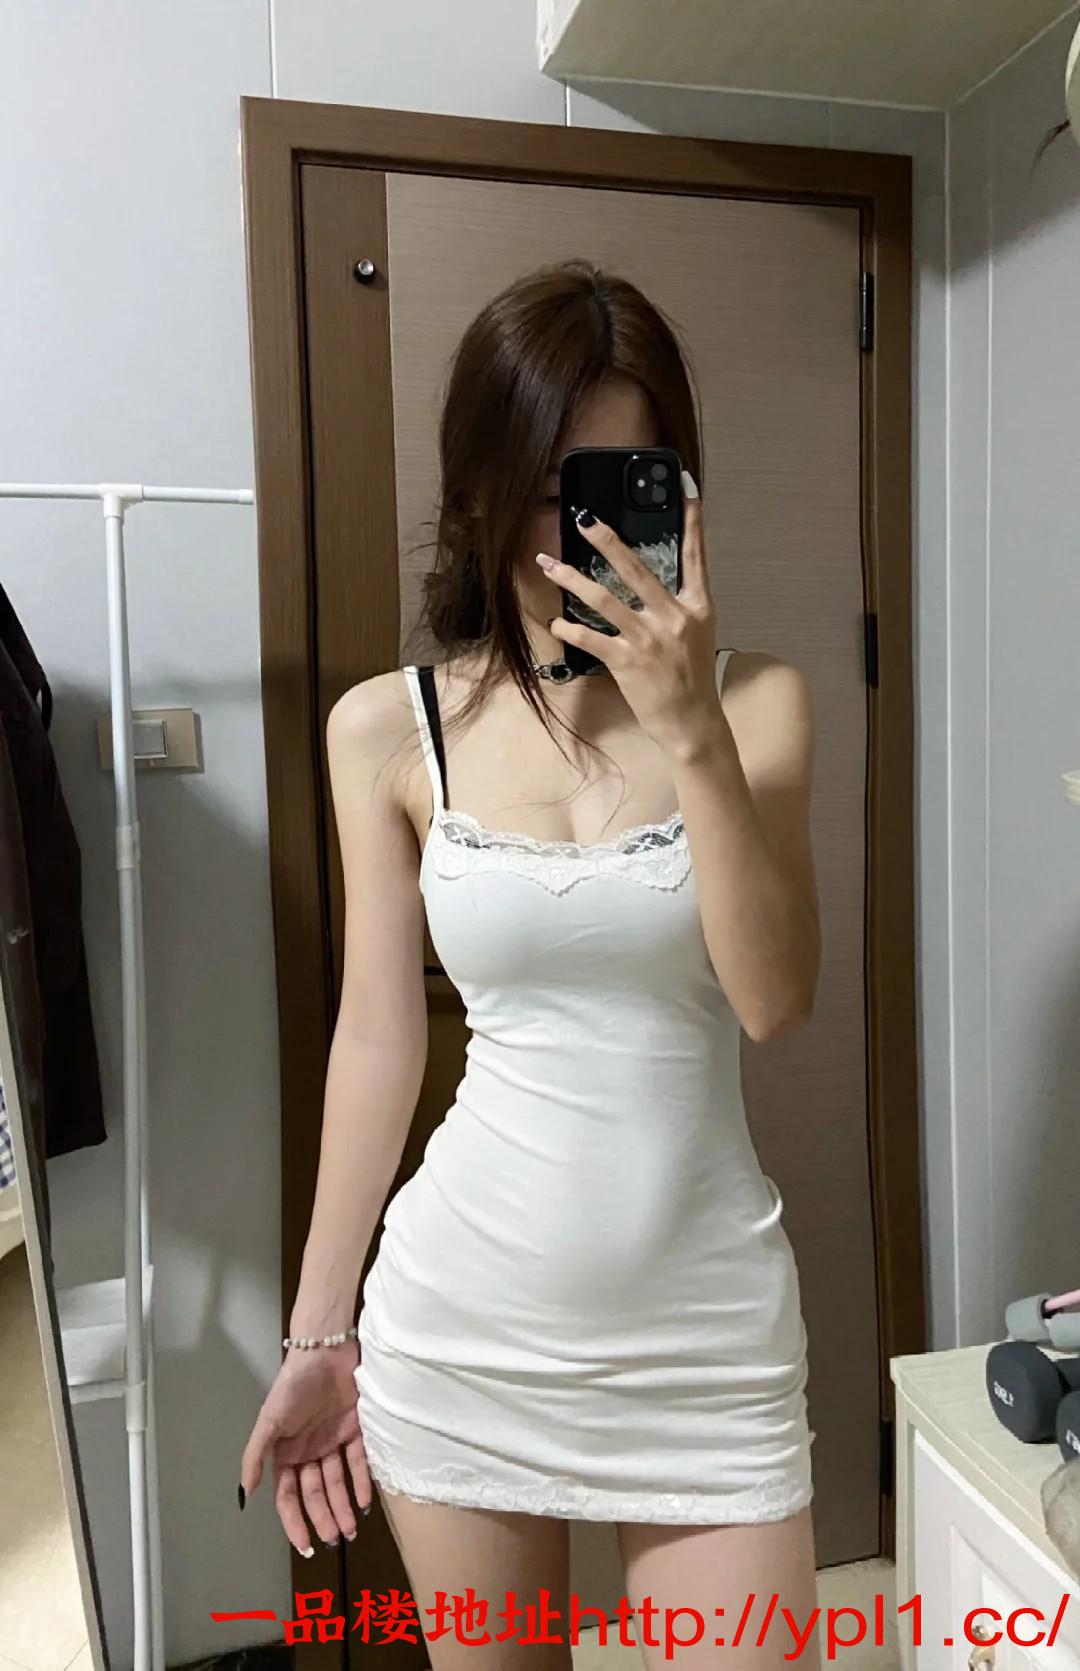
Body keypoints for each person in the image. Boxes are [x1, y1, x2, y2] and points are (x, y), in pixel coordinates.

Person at [240, 260, 824, 1671]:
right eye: (560, 485)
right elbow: (378, 1036)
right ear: (480, 491)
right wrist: (319, 1331)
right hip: (464, 1330)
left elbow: (774, 1000)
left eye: (630, 483)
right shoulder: (386, 730)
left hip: (707, 1342)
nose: (592, 530)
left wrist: (691, 735)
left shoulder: (758, 704)